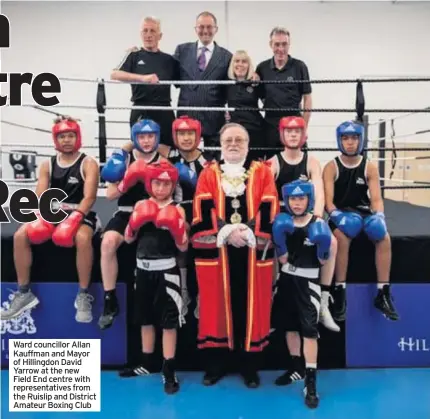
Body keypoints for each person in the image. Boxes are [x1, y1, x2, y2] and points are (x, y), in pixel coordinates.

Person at [190, 123, 279, 388]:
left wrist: (247, 232)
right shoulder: (208, 173)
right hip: (219, 250)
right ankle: (216, 364)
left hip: (251, 249)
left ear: (248, 144)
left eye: (239, 139)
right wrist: (227, 231)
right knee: (216, 305)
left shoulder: (263, 172)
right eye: (228, 139)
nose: (233, 144)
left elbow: (270, 203)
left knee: (251, 304)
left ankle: (249, 367)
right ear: (220, 143)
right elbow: (201, 206)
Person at [1, 118, 100, 323]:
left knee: (82, 238)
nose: (66, 140)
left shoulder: (88, 163)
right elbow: (40, 196)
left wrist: (75, 218)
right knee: (21, 235)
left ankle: (83, 294)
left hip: (80, 214)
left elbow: (89, 197)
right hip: (53, 213)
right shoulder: (48, 164)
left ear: (77, 137)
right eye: (62, 136)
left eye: (70, 136)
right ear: (56, 139)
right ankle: (24, 293)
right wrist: (41, 217)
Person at [118, 161, 188, 396]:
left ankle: (169, 368)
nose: (160, 188)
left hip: (167, 272)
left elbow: (183, 246)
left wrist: (176, 228)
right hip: (142, 270)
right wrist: (135, 223)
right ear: (150, 183)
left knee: (168, 322)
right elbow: (128, 240)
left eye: (166, 184)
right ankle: (147, 363)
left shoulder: (178, 209)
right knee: (145, 318)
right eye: (157, 183)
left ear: (172, 185)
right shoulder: (141, 204)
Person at [322, 121, 399, 321]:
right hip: (340, 213)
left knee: (384, 237)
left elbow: (376, 200)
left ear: (361, 140)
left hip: (363, 212)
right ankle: (339, 291)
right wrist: (337, 216)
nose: (350, 143)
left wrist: (379, 216)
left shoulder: (369, 167)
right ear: (339, 140)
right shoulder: (331, 167)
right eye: (345, 138)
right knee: (341, 236)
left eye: (354, 138)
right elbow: (328, 202)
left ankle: (383, 293)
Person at [269, 116, 339, 333]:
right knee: (269, 246)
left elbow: (318, 192)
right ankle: (272, 303)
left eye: (297, 131)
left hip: (307, 217)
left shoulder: (311, 162)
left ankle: (324, 302)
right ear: (282, 135)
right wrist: (274, 222)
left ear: (303, 135)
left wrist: (317, 220)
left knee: (333, 242)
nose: (292, 135)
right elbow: (267, 195)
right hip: (282, 218)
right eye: (289, 131)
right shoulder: (273, 162)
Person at [98, 119, 164, 329]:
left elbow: (169, 196)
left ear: (157, 137)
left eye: (150, 136)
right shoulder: (121, 161)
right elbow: (109, 195)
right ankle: (110, 300)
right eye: (142, 137)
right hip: (126, 213)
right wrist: (128, 180)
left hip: (152, 214)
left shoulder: (164, 161)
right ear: (134, 138)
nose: (146, 141)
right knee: (107, 242)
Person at [272, 180, 331, 409]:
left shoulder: (318, 223)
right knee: (289, 325)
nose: (297, 203)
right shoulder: (282, 223)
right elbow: (283, 260)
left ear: (309, 200)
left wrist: (322, 244)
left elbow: (324, 260)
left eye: (301, 199)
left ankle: (311, 380)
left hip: (309, 282)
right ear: (287, 200)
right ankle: (296, 367)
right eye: (293, 199)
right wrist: (280, 241)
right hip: (287, 278)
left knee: (309, 330)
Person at [111, 16, 179, 147]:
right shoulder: (133, 55)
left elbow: (183, 82)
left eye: (152, 31)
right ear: (140, 34)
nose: (148, 35)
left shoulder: (169, 60)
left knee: (168, 150)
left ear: (160, 36)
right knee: (140, 149)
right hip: (141, 108)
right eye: (145, 31)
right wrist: (142, 78)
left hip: (164, 110)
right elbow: (114, 74)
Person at [165, 116, 208, 317]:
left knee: (204, 245)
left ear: (197, 136)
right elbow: (139, 145)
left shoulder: (207, 160)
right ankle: (183, 291)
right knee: (180, 232)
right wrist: (121, 152)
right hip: (177, 206)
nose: (186, 138)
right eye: (182, 134)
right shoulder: (168, 156)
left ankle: (202, 295)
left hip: (202, 208)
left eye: (190, 133)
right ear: (175, 136)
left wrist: (195, 181)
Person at [174, 11, 232, 159]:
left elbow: (230, 87)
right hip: (186, 119)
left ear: (216, 29)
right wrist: (141, 52)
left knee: (212, 165)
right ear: (195, 29)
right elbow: (166, 72)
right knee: (184, 162)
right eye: (201, 26)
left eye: (209, 27)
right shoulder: (182, 50)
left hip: (213, 120)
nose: (205, 30)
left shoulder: (227, 56)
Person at [256, 27, 312, 158]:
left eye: (284, 44)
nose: (281, 48)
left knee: (299, 164)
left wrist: (304, 126)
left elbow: (307, 98)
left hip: (294, 123)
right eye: (277, 44)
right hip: (270, 125)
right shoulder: (262, 68)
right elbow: (255, 96)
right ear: (271, 45)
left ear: (289, 44)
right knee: (270, 166)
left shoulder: (299, 66)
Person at [226, 50, 265, 162]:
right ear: (232, 64)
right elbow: (218, 101)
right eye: (237, 61)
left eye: (244, 61)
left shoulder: (255, 82)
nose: (240, 64)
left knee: (254, 166)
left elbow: (267, 100)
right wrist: (225, 114)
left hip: (254, 130)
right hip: (235, 131)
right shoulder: (227, 83)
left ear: (249, 65)